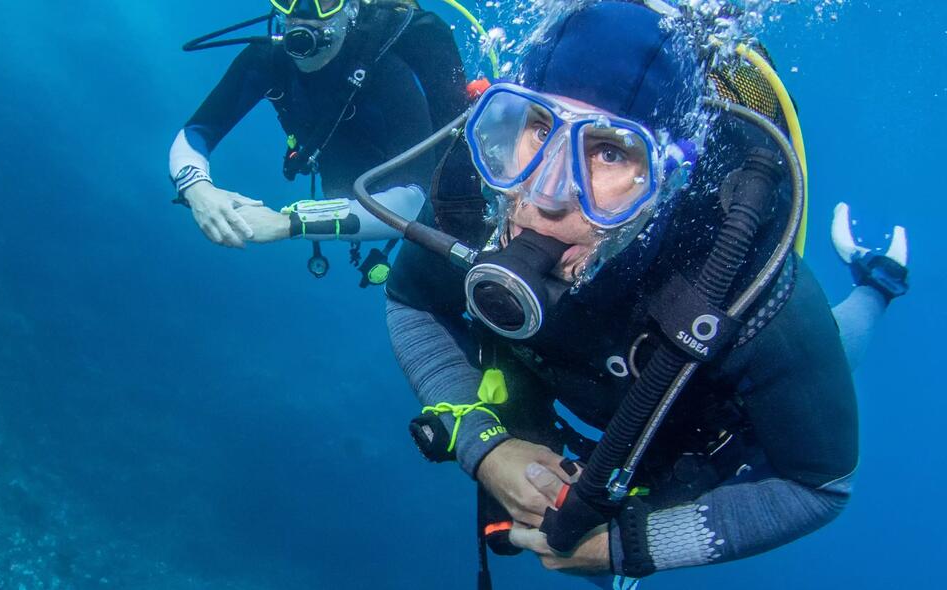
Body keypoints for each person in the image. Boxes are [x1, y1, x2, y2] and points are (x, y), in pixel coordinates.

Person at [362, 1, 908, 585]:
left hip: (699, 403)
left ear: (667, 178)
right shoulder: (471, 197)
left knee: (842, 339)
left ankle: (879, 279)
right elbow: (411, 302)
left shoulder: (743, 280)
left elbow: (818, 485)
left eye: (608, 151)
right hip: (571, 382)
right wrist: (485, 446)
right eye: (540, 129)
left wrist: (634, 546)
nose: (547, 194)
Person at [168, 0, 490, 285]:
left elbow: (411, 202)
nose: (303, 13)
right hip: (345, 190)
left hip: (426, 199)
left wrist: (289, 224)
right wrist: (197, 190)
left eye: (325, 2)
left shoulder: (388, 75)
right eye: (287, 0)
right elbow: (195, 132)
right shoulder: (265, 60)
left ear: (350, 8)